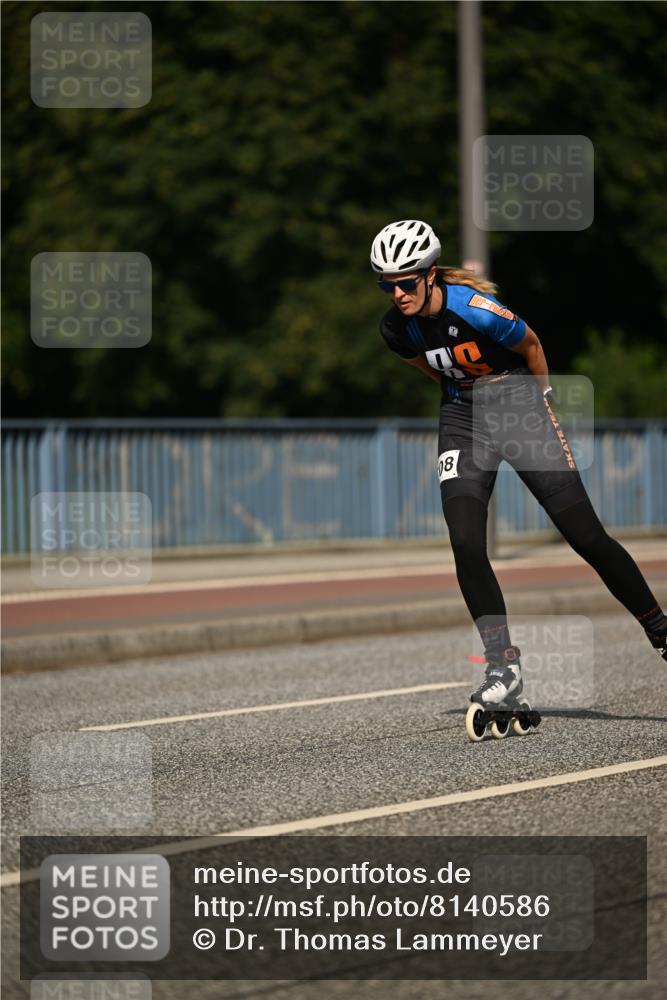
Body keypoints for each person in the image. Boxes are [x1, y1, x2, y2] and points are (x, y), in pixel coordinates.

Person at [371, 219, 667, 714]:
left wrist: (542, 401)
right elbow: (433, 370)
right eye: (387, 285)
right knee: (465, 541)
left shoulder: (477, 310)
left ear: (430, 274)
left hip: (518, 406)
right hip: (462, 417)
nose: (397, 294)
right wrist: (464, 399)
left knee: (585, 536)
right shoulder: (395, 329)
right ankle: (502, 667)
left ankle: (659, 628)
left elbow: (531, 346)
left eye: (405, 282)